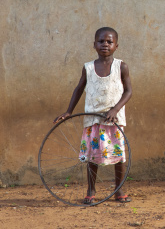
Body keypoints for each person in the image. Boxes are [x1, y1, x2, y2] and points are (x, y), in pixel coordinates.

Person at [54, 27, 133, 204]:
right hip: (92, 119)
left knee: (119, 155)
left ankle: (119, 190)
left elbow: (128, 92)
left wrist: (115, 109)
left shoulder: (121, 66)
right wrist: (69, 111)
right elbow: (79, 89)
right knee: (92, 155)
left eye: (109, 42)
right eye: (101, 41)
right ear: (94, 45)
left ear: (116, 46)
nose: (105, 44)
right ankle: (91, 190)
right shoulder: (88, 68)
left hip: (113, 119)